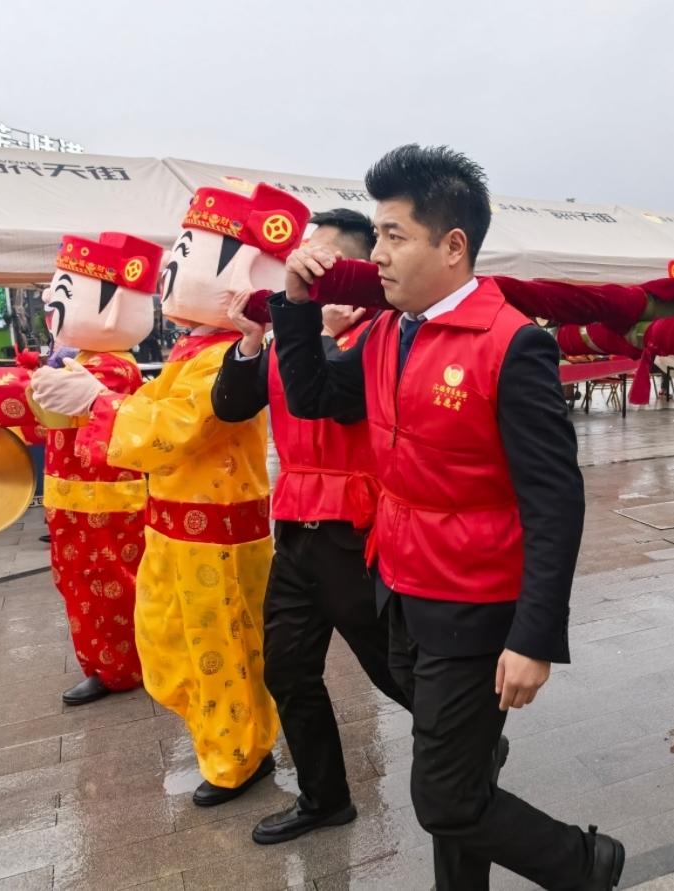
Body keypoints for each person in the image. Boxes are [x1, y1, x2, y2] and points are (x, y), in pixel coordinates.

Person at [270, 144, 624, 890]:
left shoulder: (512, 345)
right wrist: (295, 310)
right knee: (460, 779)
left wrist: (534, 637)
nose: (377, 254)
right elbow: (312, 398)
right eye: (378, 234)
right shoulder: (388, 333)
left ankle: (586, 864)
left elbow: (555, 500)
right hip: (399, 589)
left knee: (442, 798)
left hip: (475, 604)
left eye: (394, 235)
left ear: (453, 245)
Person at [31, 183, 310, 805]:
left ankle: (238, 757)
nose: (170, 270)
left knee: (220, 650)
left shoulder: (229, 356)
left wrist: (99, 402)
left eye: (187, 253)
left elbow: (178, 427)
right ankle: (226, 741)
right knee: (171, 640)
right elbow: (154, 416)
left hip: (214, 532)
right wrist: (100, 402)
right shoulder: (194, 350)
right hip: (172, 524)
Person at [211, 208, 413, 845]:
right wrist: (251, 342)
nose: (302, 266)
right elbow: (231, 405)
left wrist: (314, 329)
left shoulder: (384, 332)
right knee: (288, 668)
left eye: (320, 257)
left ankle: (466, 737)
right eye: (302, 254)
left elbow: (326, 399)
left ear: (353, 268)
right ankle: (325, 798)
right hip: (295, 523)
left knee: (392, 668)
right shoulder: (290, 332)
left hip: (354, 526)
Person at [0, 233, 161, 705]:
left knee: (110, 588)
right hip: (72, 503)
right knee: (77, 584)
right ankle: (103, 663)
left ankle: (123, 667)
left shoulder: (112, 368)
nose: (49, 300)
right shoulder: (81, 360)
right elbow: (46, 416)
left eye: (64, 292)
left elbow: (36, 395)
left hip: (108, 508)